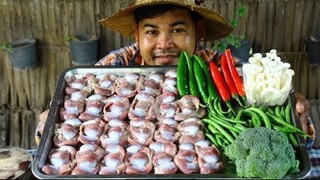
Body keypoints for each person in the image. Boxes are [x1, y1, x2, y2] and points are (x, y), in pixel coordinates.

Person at [36, 0, 317, 177]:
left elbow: (305, 139)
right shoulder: (114, 66)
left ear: (200, 31)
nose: (164, 43)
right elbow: (50, 134)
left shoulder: (228, 69)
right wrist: (45, 128)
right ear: (136, 33)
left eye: (178, 30)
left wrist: (301, 123)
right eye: (151, 31)